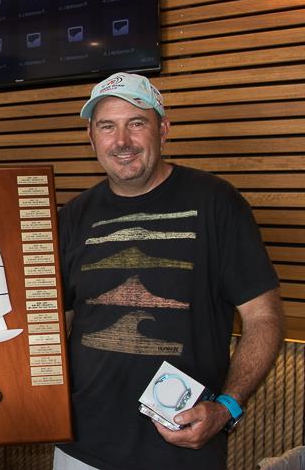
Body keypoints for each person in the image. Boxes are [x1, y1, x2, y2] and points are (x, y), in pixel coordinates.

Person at [55, 72, 284, 470]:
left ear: (163, 129)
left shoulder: (217, 203)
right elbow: (55, 327)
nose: (121, 141)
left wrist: (226, 407)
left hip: (181, 450)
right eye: (107, 127)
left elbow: (263, 318)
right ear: (92, 138)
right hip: (80, 448)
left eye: (136, 123)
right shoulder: (74, 216)